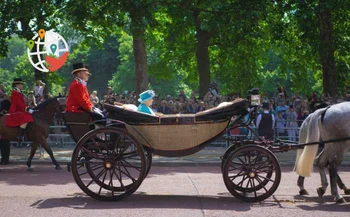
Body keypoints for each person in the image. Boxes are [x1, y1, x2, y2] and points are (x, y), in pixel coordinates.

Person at [5, 78, 35, 143]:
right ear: (17, 85)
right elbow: (18, 104)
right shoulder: (15, 92)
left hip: (19, 109)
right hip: (15, 110)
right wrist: (27, 109)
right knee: (26, 117)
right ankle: (20, 136)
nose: (22, 86)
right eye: (21, 84)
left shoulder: (18, 92)